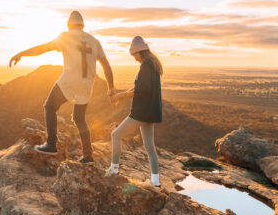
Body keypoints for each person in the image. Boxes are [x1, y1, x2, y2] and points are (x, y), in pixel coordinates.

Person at [9, 10, 115, 163]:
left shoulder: (66, 36)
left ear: (69, 24)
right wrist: (111, 88)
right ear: (82, 25)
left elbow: (43, 49)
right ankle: (88, 155)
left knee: (49, 107)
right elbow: (106, 66)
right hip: (87, 84)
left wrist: (21, 53)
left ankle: (51, 144)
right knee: (79, 118)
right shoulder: (94, 41)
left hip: (69, 81)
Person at [107, 36, 163, 186]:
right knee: (149, 146)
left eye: (134, 55)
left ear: (139, 52)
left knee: (116, 135)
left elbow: (142, 89)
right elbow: (141, 87)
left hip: (142, 112)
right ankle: (155, 182)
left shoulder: (146, 65)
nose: (134, 58)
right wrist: (122, 94)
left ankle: (114, 169)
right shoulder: (153, 64)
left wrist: (123, 95)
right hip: (151, 112)